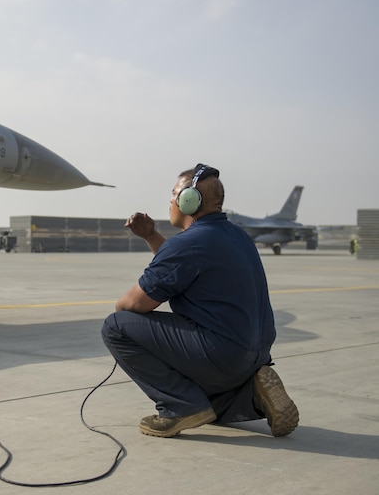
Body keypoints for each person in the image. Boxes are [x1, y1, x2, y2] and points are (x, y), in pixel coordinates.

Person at [101, 164, 299, 438]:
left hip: (222, 355)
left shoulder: (187, 244)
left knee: (116, 326)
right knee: (207, 408)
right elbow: (182, 266)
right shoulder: (238, 236)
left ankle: (178, 408)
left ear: (189, 201)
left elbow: (131, 305)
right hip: (255, 355)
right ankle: (252, 395)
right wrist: (151, 236)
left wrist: (124, 307)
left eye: (174, 194)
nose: (171, 201)